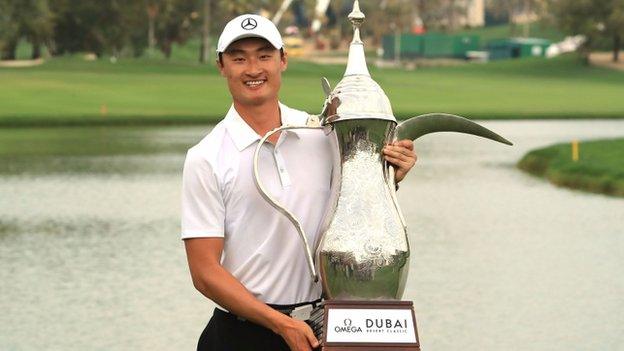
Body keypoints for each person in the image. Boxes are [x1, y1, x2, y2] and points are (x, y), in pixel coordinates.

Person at [181, 14, 417, 351]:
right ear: (222, 66)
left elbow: (351, 208)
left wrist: (390, 175)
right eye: (239, 58)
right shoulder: (206, 157)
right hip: (243, 335)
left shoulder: (320, 134)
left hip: (325, 326)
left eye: (264, 56)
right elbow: (204, 272)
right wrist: (281, 324)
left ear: (283, 60)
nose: (253, 69)